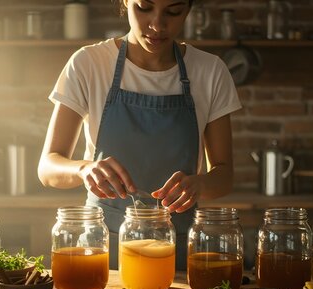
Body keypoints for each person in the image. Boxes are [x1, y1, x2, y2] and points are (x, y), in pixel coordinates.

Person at [38, 0, 241, 270]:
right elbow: (48, 167)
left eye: (173, 11)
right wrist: (85, 169)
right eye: (144, 7)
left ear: (189, 9)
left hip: (177, 247)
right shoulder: (89, 63)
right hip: (104, 249)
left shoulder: (210, 71)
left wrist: (200, 184)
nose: (157, 24)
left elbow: (224, 176)